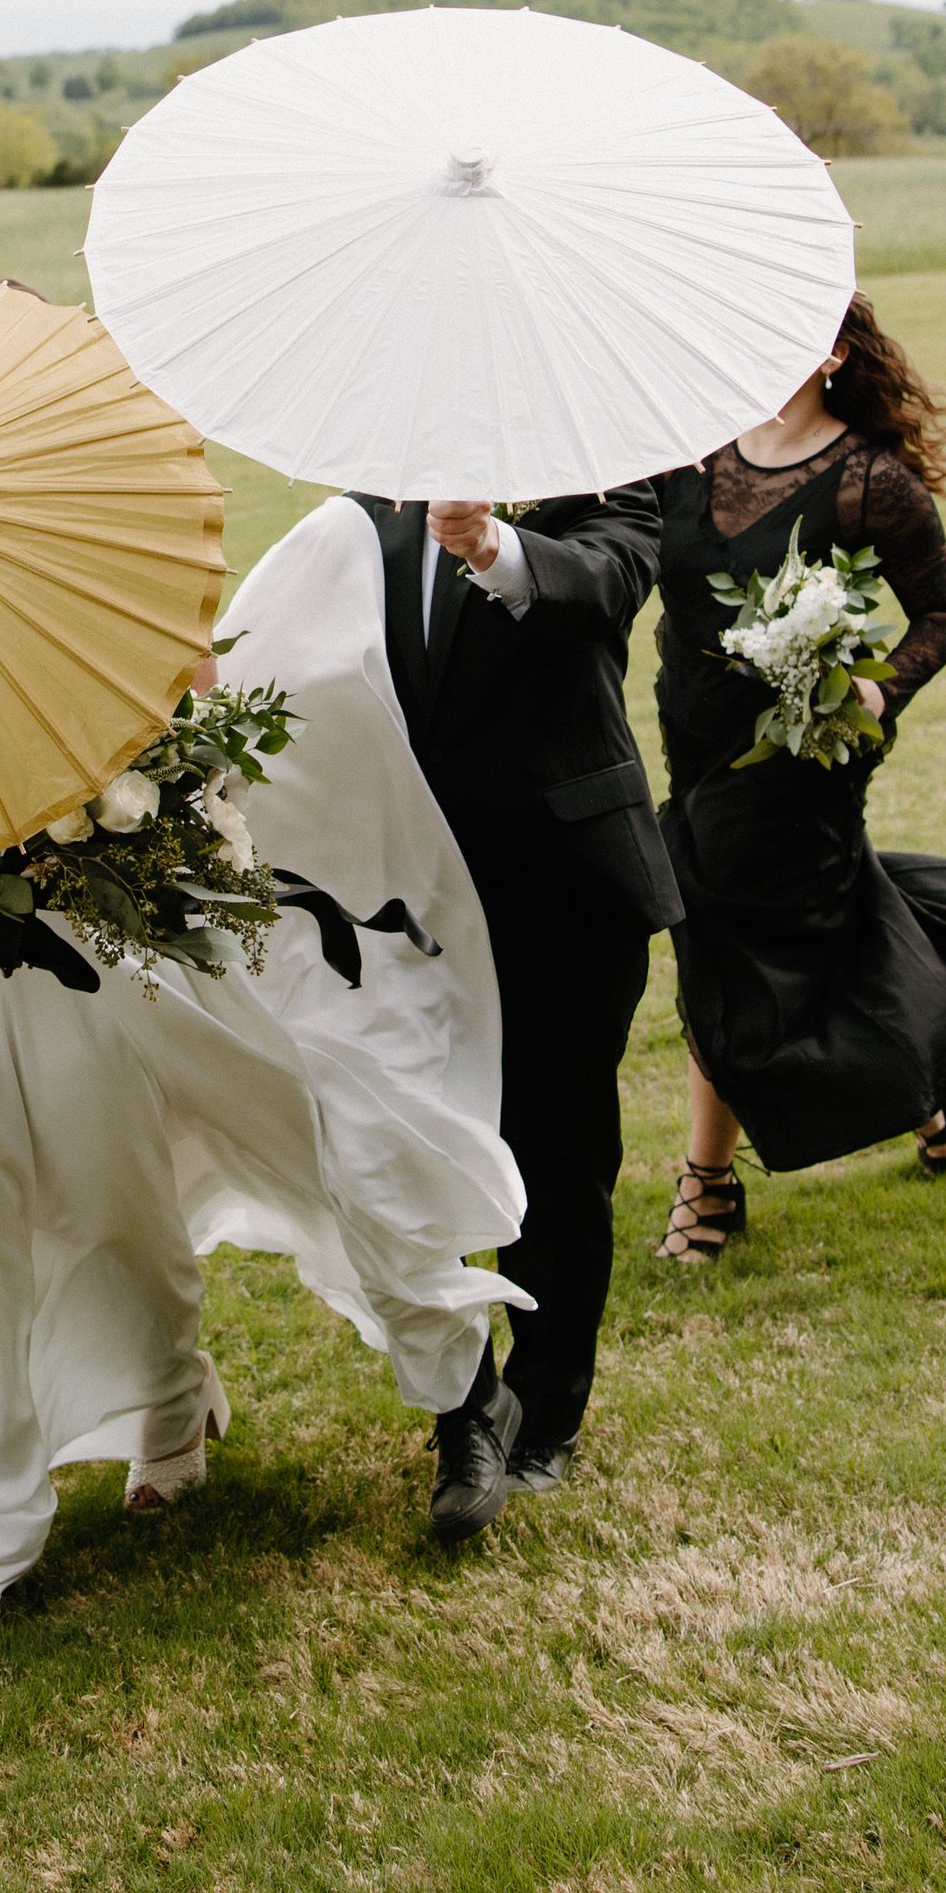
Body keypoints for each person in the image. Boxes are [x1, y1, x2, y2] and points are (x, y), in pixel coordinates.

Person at [0, 557, 526, 1640]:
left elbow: (188, 672)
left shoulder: (38, 515)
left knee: (110, 1166)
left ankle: (172, 1401)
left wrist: (120, 770)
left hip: (72, 902)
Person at [651, 293, 946, 1261]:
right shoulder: (685, 451)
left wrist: (877, 692)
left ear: (830, 353)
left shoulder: (867, 481)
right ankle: (915, 1080)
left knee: (727, 946)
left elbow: (942, 616)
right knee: (822, 929)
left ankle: (705, 1188)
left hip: (801, 760)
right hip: (693, 741)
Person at [336, 470, 681, 1537]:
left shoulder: (590, 458)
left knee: (552, 1148)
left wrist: (495, 550)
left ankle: (547, 1413)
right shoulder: (369, 492)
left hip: (561, 879)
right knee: (404, 1147)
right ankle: (467, 1406)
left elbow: (611, 577)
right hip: (408, 896)